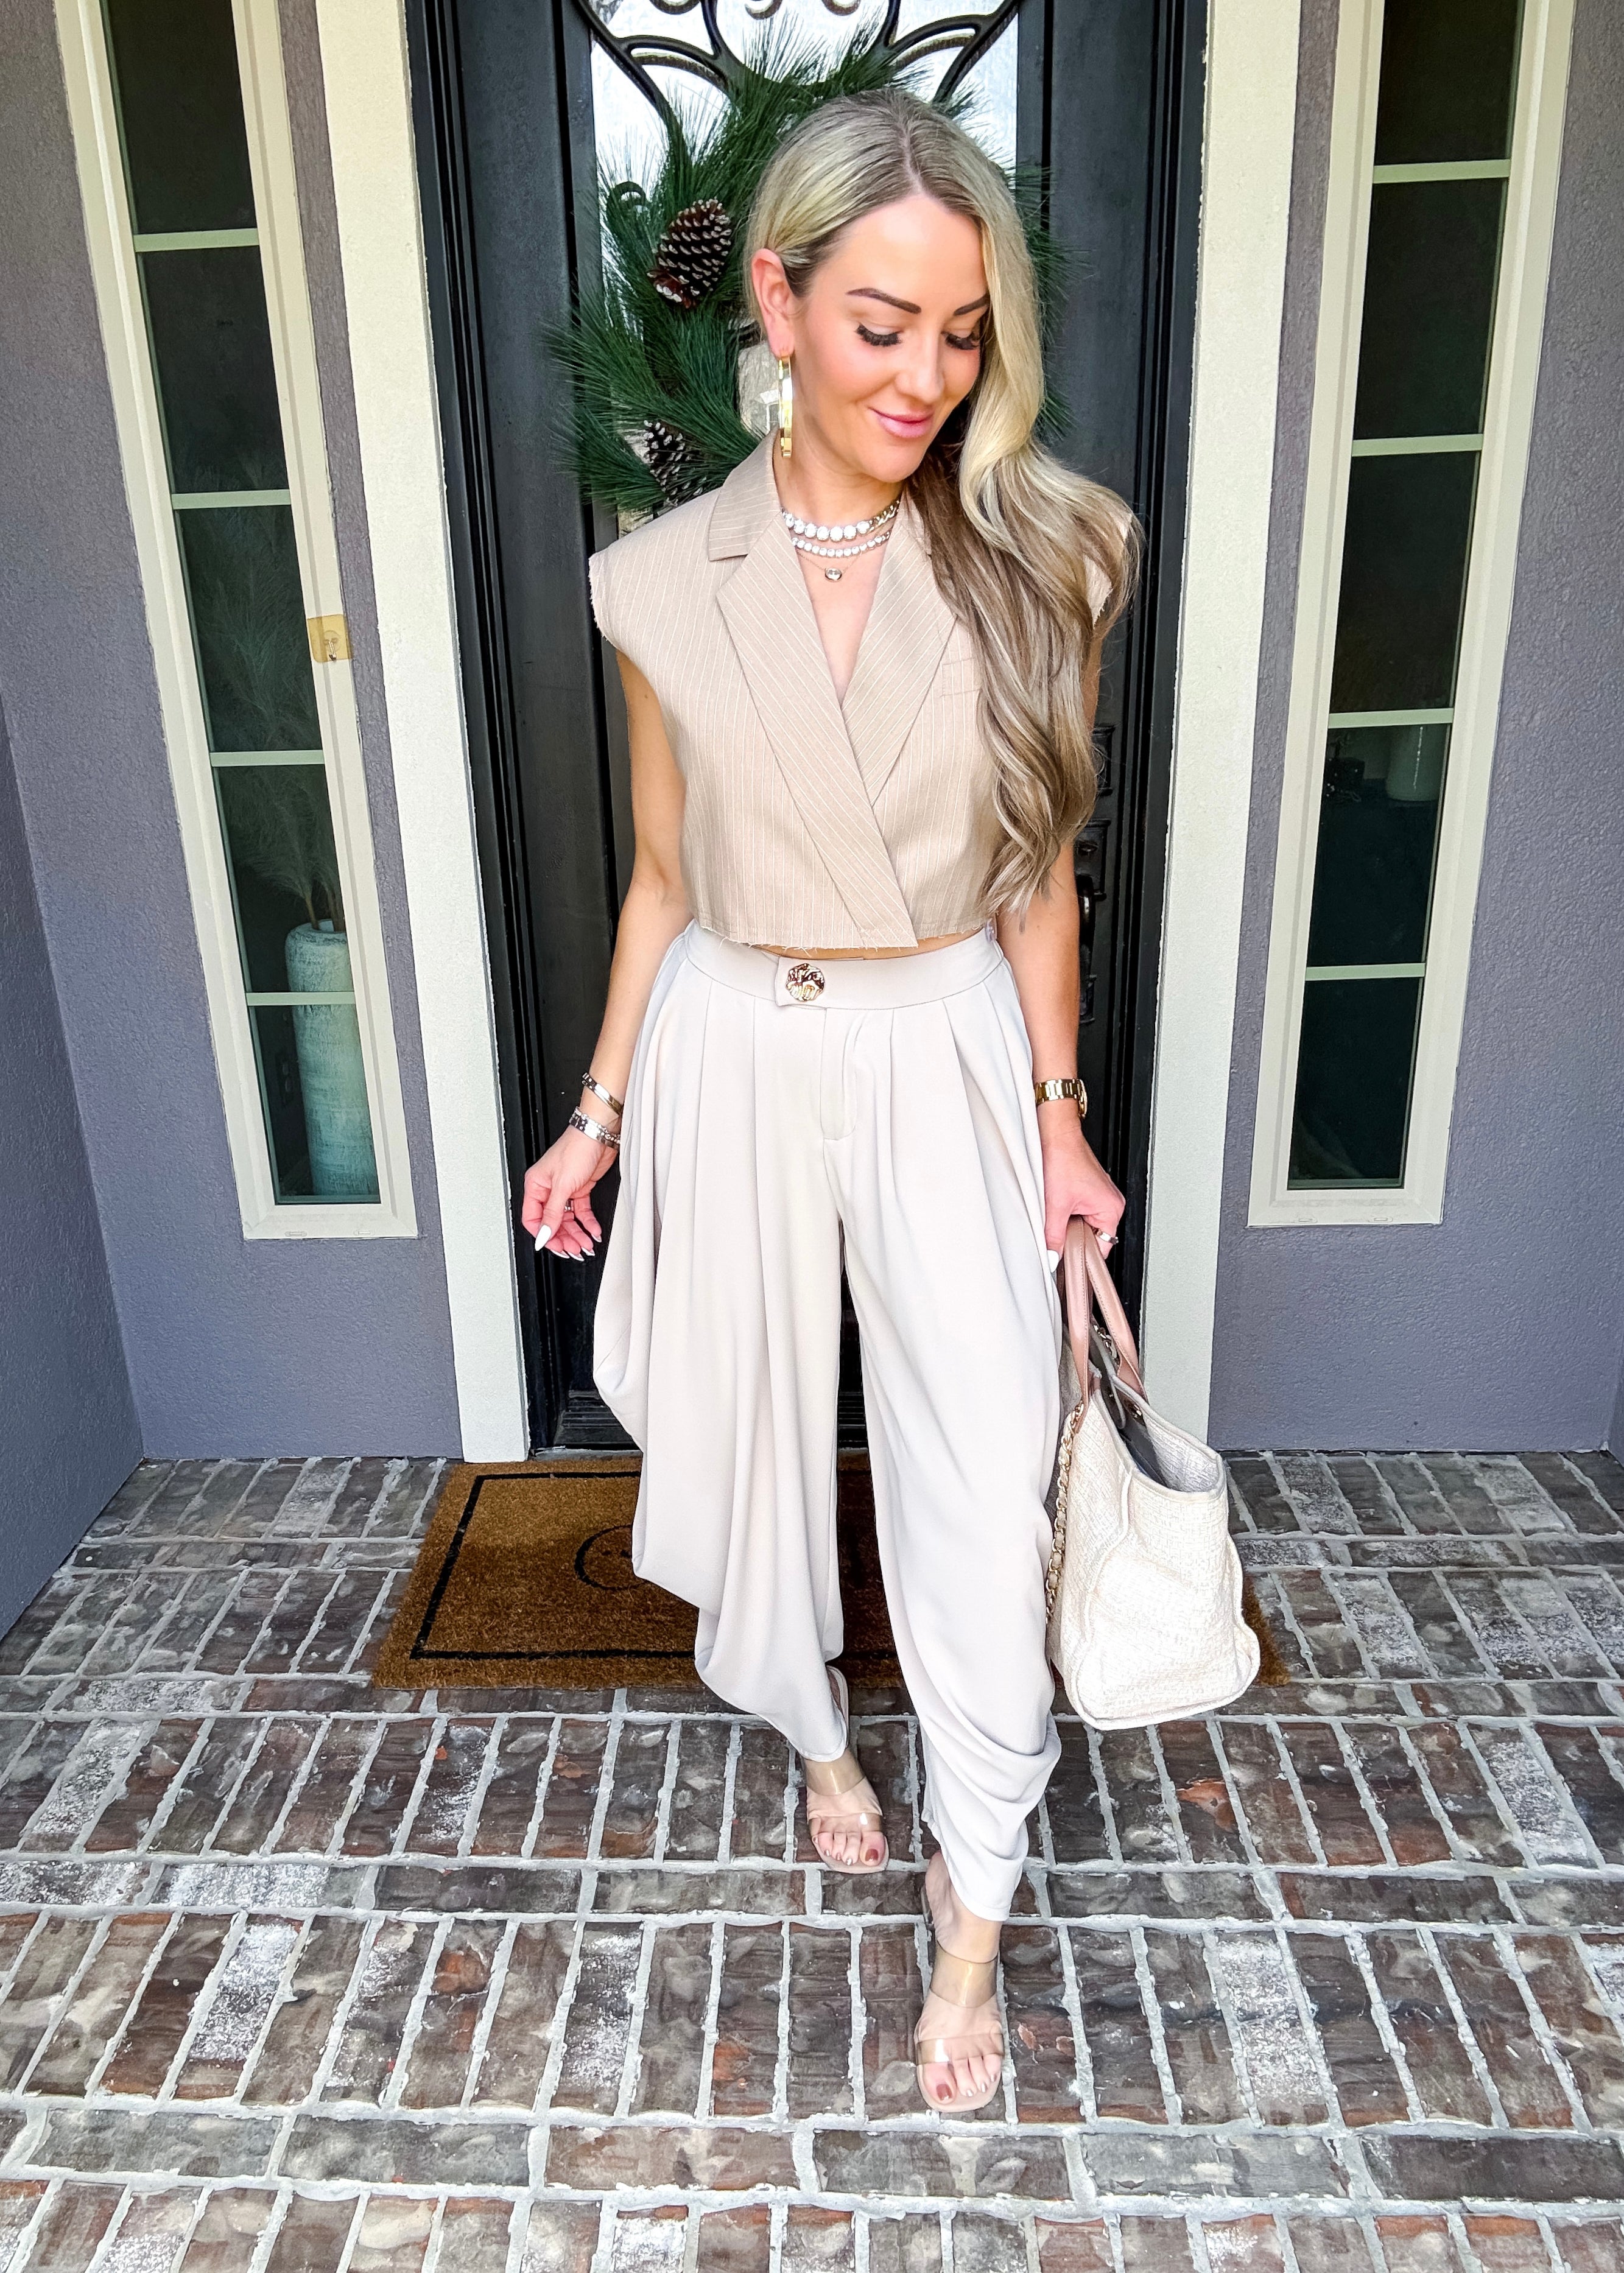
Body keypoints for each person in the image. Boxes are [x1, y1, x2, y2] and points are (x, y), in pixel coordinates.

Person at [521, 86, 1137, 2115]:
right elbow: (661, 874)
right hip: (730, 1031)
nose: (922, 379)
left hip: (941, 1032)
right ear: (774, 303)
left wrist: (1056, 1113)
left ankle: (974, 1908)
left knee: (978, 1460)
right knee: (754, 1425)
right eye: (879, 325)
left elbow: (1039, 875)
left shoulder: (1046, 553)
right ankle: (815, 1735)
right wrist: (599, 1111)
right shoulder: (653, 581)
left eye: (961, 334)